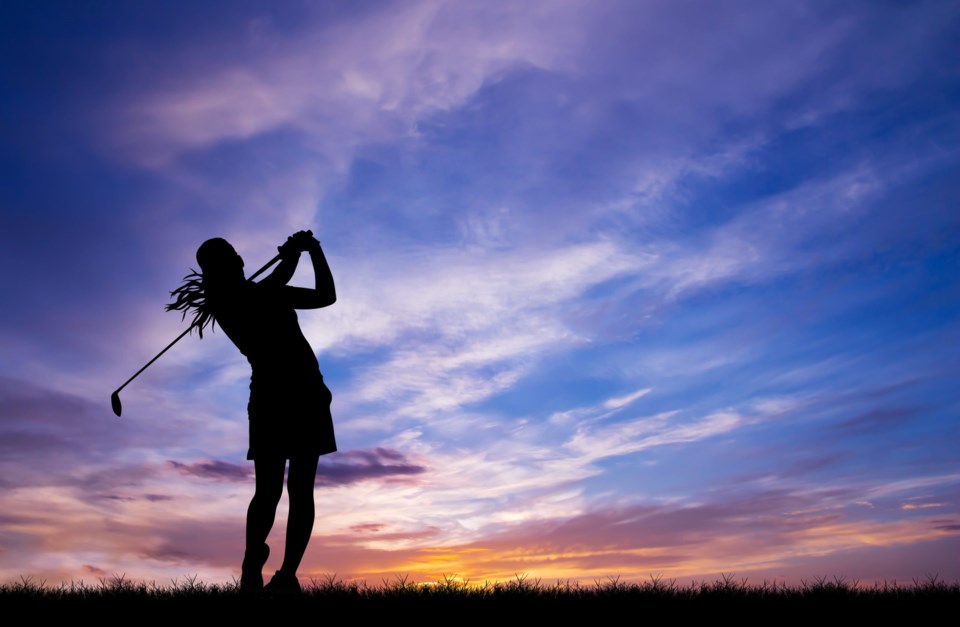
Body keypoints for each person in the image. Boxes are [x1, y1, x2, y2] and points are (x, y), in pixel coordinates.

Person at [166, 230, 337, 595]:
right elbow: (323, 294)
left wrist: (297, 254)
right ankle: (259, 569)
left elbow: (301, 288)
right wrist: (309, 250)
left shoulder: (239, 297)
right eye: (227, 254)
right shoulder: (237, 299)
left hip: (293, 394)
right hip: (288, 395)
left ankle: (282, 575)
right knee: (279, 490)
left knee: (285, 489)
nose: (236, 256)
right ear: (226, 266)